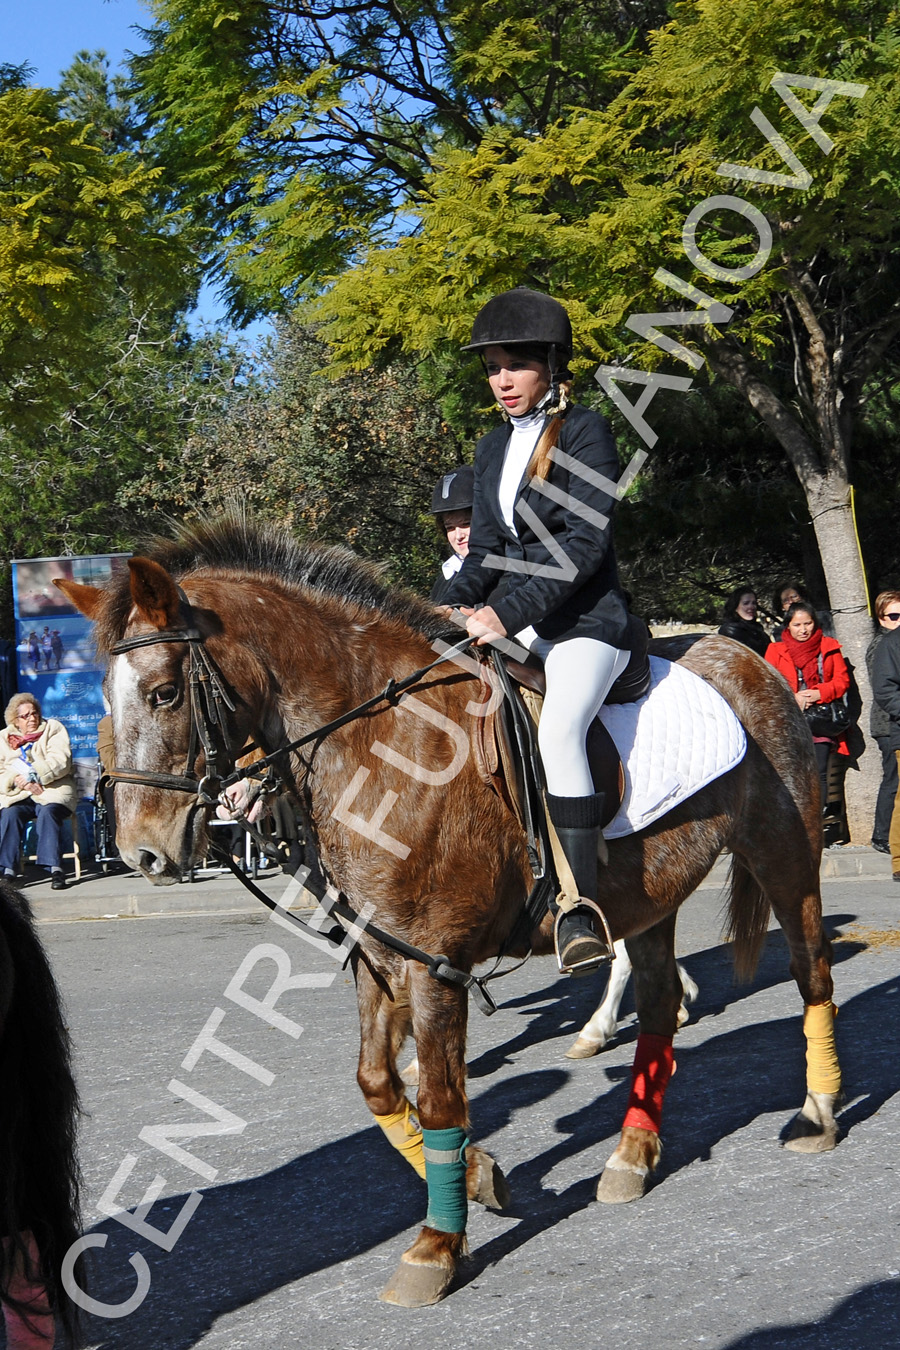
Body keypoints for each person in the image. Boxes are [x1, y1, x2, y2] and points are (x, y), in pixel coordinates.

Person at [442, 287, 644, 974]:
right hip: (524, 625)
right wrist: (442, 604)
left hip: (587, 623)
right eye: (493, 367)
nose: (501, 380)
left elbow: (584, 548)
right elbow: (487, 551)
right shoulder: (492, 447)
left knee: (557, 728)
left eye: (515, 366)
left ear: (550, 367)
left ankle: (581, 906)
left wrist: (504, 612)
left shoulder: (587, 432)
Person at [765, 602, 851, 847]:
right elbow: (770, 682)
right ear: (788, 626)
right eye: (797, 625)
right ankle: (792, 827)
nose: (803, 630)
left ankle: (815, 828)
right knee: (791, 774)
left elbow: (842, 681)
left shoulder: (829, 647)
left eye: (808, 624)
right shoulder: (775, 650)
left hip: (821, 721)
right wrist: (794, 697)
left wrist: (818, 693)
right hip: (789, 720)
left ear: (815, 623)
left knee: (819, 773)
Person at [0, 695, 77, 889]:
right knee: (10, 813)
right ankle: (8, 871)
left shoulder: (53, 729)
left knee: (47, 812)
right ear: (15, 720)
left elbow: (61, 762)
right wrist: (21, 783)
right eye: (25, 716)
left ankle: (55, 869)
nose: (32, 718)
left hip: (52, 790)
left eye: (34, 713)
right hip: (20, 793)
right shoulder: (3, 738)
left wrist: (34, 775)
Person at [865, 591, 900, 853]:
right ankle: (882, 835)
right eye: (894, 616)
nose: (899, 620)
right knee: (893, 779)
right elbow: (884, 688)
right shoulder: (882, 644)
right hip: (887, 723)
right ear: (881, 618)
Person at [429, 465, 475, 603]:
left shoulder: (510, 570)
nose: (458, 535)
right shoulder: (445, 579)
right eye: (450, 528)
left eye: (466, 524)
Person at [717, 586, 770, 657]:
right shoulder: (730, 631)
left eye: (754, 603)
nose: (751, 607)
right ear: (735, 607)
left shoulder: (757, 628)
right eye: (746, 603)